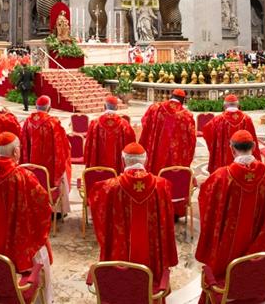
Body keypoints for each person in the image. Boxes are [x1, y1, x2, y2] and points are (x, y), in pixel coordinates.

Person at [0, 132, 53, 302]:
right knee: (39, 250)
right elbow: (43, 206)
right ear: (15, 152)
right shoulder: (24, 176)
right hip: (18, 243)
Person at [196, 130, 265, 284]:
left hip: (228, 248)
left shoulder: (222, 176)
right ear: (254, 147)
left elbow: (208, 202)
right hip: (259, 243)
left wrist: (202, 184)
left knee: (225, 267)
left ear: (232, 149)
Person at [90, 143, 177, 286]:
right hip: (151, 253)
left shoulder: (109, 187)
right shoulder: (162, 186)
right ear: (146, 160)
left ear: (123, 160)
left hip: (120, 250)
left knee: (121, 284)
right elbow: (166, 224)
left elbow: (98, 211)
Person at [20, 95, 71, 215]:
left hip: (32, 164)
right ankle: (56, 211)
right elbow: (62, 145)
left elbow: (23, 143)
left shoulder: (27, 122)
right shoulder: (53, 122)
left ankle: (33, 207)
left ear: (36, 107)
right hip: (50, 165)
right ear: (49, 108)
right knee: (60, 175)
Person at [139, 89, 196, 174]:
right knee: (174, 175)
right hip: (176, 155)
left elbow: (145, 122)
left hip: (157, 152)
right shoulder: (187, 116)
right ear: (183, 100)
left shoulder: (155, 108)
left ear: (171, 96)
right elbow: (192, 138)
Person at [202, 95, 261, 173]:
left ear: (224, 106)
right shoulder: (247, 119)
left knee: (224, 174)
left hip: (223, 161)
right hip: (244, 156)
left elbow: (206, 132)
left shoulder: (217, 120)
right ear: (238, 105)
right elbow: (252, 138)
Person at [83, 96, 136, 172]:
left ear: (104, 106)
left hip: (98, 170)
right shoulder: (124, 124)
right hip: (118, 172)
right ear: (117, 107)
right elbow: (131, 144)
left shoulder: (95, 123)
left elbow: (88, 146)